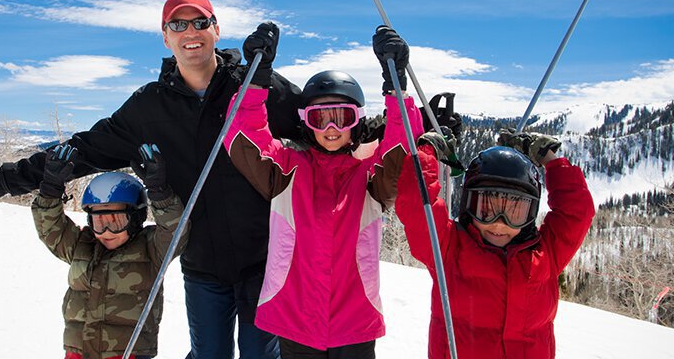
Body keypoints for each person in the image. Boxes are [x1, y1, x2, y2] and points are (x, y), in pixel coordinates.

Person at [0, 0, 306, 359]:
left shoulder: (256, 87)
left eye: (200, 22)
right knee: (209, 354)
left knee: (263, 355)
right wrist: (1, 181)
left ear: (216, 29)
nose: (190, 31)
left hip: (266, 258)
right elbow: (83, 151)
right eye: (178, 24)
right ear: (165, 36)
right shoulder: (148, 107)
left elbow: (325, 122)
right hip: (202, 265)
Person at [223, 25, 423, 358]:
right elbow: (244, 139)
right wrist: (256, 80)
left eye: (341, 118)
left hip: (354, 321)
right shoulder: (287, 170)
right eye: (320, 119)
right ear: (306, 122)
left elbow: (401, 152)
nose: (331, 129)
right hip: (295, 318)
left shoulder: (371, 176)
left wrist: (396, 86)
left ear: (356, 121)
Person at [395, 128, 596, 358]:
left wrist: (548, 158)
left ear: (530, 214)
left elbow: (577, 212)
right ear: (469, 206)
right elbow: (416, 204)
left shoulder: (545, 253)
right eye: (486, 209)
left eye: (515, 212)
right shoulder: (449, 248)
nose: (500, 224)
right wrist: (428, 150)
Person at [32, 143, 188, 359]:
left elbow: (175, 230)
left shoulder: (151, 249)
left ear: (135, 219)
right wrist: (50, 188)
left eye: (115, 221)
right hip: (78, 352)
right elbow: (50, 228)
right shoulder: (80, 245)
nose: (106, 231)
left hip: (128, 353)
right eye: (99, 221)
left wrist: (160, 193)